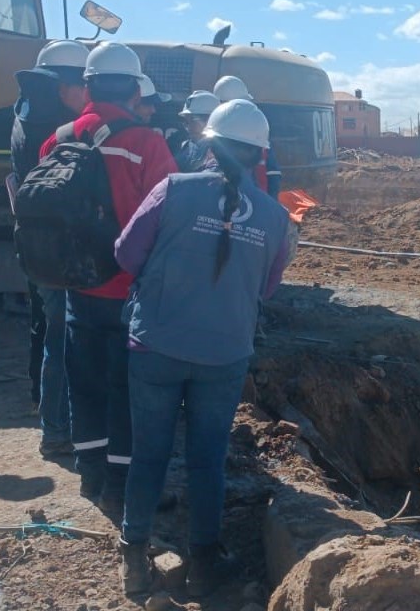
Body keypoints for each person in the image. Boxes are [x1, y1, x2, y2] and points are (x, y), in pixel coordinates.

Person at [115, 99, 290, 598]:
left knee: (149, 456)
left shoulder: (173, 190)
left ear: (208, 144)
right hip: (225, 353)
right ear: (260, 155)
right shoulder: (277, 219)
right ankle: (206, 560)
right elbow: (267, 289)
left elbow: (126, 254)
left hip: (157, 345)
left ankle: (134, 555)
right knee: (207, 458)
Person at [39, 42, 177, 517]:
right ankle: (121, 482)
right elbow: (167, 218)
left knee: (85, 384)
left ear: (89, 84)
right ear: (136, 87)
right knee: (126, 391)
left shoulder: (57, 138)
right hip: (127, 289)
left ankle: (90, 474)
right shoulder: (146, 143)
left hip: (76, 285)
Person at [11, 39, 88, 457]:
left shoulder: (24, 113)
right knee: (63, 339)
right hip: (62, 248)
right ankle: (58, 430)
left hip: (35, 243)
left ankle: (48, 414)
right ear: (65, 85)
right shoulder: (58, 126)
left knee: (46, 331)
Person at [213, 76, 281, 198]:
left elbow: (273, 172)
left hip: (255, 202)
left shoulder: (255, 132)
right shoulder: (255, 132)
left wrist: (271, 201)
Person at [167, 90, 220, 172]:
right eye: (185, 121)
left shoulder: (223, 154)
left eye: (192, 120)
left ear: (210, 120)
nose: (188, 127)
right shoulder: (184, 147)